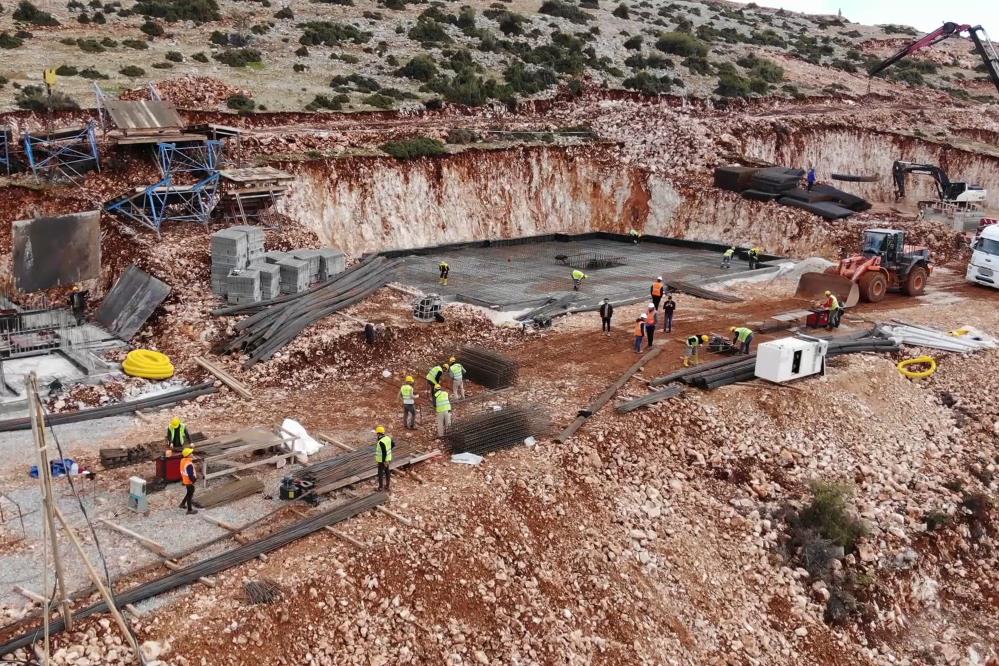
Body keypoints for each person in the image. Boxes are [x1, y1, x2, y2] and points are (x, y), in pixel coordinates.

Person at [178, 447, 197, 514]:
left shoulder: (183, 460)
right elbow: (190, 474)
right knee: (190, 494)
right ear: (188, 455)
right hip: (189, 481)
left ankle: (182, 504)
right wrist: (194, 480)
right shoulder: (189, 464)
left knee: (189, 492)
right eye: (191, 453)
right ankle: (189, 510)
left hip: (185, 480)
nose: (192, 454)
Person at [374, 425, 393, 491]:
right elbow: (393, 444)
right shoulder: (388, 438)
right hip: (388, 458)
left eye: (377, 433)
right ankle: (387, 486)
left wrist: (384, 461)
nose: (376, 435)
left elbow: (384, 452)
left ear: (379, 433)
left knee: (380, 474)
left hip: (382, 460)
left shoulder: (381, 442)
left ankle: (380, 487)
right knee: (387, 472)